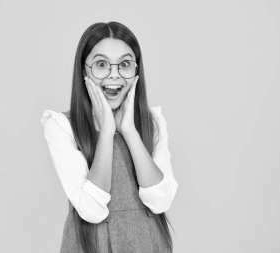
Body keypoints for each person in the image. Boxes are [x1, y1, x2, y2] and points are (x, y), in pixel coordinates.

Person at [40, 21, 179, 253]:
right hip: (91, 245)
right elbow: (91, 210)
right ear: (84, 69)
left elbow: (160, 201)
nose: (114, 75)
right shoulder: (62, 126)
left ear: (136, 70)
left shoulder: (152, 122)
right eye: (101, 64)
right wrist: (106, 131)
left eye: (124, 64)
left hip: (147, 243)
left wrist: (129, 130)